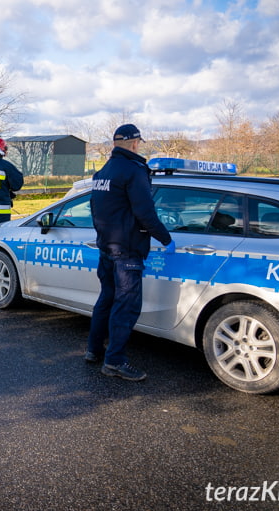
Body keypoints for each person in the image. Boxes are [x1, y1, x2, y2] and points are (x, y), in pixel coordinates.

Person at [85, 123, 175, 382]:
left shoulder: (104, 171)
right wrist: (166, 238)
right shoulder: (133, 171)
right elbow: (145, 213)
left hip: (107, 247)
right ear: (135, 143)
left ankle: (93, 350)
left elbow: (96, 210)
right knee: (126, 306)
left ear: (115, 144)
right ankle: (114, 361)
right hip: (127, 251)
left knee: (106, 300)